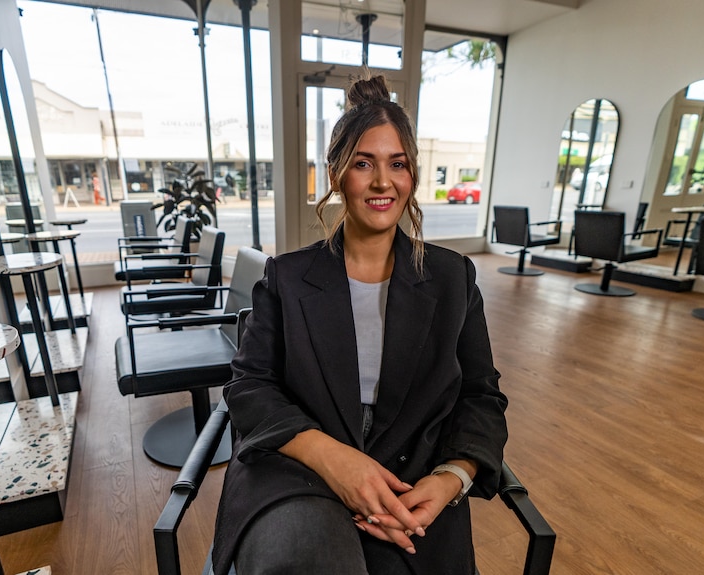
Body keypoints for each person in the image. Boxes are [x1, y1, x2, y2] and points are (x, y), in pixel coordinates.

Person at [213, 73, 508, 575]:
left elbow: (481, 395)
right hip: (300, 465)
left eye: (398, 164)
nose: (381, 182)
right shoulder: (287, 277)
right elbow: (249, 388)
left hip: (411, 478)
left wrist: (452, 476)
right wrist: (334, 460)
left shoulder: (452, 278)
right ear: (335, 173)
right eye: (362, 163)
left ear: (412, 175)